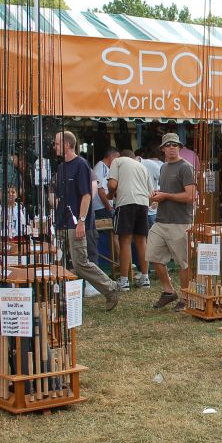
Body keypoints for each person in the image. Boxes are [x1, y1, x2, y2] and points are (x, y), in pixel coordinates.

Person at [53, 131, 121, 311]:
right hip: (62, 221)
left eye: (57, 144)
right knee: (62, 261)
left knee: (80, 263)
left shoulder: (81, 165)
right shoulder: (61, 167)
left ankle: (109, 286)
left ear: (67, 145)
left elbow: (86, 195)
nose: (54, 147)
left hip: (76, 222)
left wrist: (81, 221)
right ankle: (64, 298)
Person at [146, 133, 195, 311]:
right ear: (163, 149)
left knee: (183, 262)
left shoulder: (186, 167)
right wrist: (157, 196)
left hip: (180, 222)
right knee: (152, 255)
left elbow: (190, 196)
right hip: (161, 220)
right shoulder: (164, 168)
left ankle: (186, 296)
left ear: (180, 147)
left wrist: (165, 196)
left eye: (175, 145)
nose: (172, 147)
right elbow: (167, 192)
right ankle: (168, 291)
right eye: (168, 145)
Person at [108, 149, 154, 291]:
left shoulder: (117, 161)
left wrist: (110, 195)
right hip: (143, 204)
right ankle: (145, 278)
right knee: (142, 241)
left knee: (125, 242)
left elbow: (112, 184)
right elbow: (151, 194)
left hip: (125, 203)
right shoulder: (142, 167)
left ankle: (124, 281)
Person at [93, 147, 118, 221]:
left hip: (103, 207)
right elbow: (101, 192)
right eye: (117, 158)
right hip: (101, 208)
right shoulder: (102, 168)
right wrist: (110, 209)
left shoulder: (104, 167)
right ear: (111, 157)